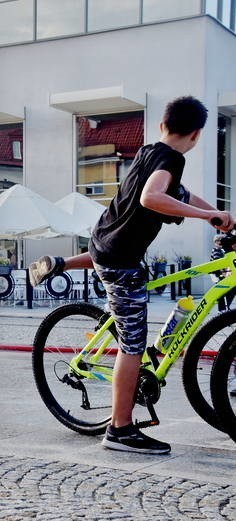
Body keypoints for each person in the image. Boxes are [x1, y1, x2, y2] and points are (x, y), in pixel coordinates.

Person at [29, 96, 234, 454]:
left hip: (104, 242)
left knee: (111, 263)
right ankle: (120, 430)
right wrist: (205, 218)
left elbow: (179, 193)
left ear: (163, 126)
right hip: (119, 259)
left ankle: (60, 264)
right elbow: (151, 198)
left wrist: (218, 212)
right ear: (198, 134)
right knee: (133, 344)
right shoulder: (172, 158)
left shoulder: (149, 151)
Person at [210, 235, 236, 312]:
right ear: (215, 243)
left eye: (220, 241)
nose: (219, 243)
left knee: (231, 290)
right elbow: (217, 263)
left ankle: (226, 307)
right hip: (217, 274)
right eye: (217, 241)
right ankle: (222, 309)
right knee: (221, 290)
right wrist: (224, 273)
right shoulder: (216, 250)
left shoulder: (223, 250)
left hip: (225, 273)